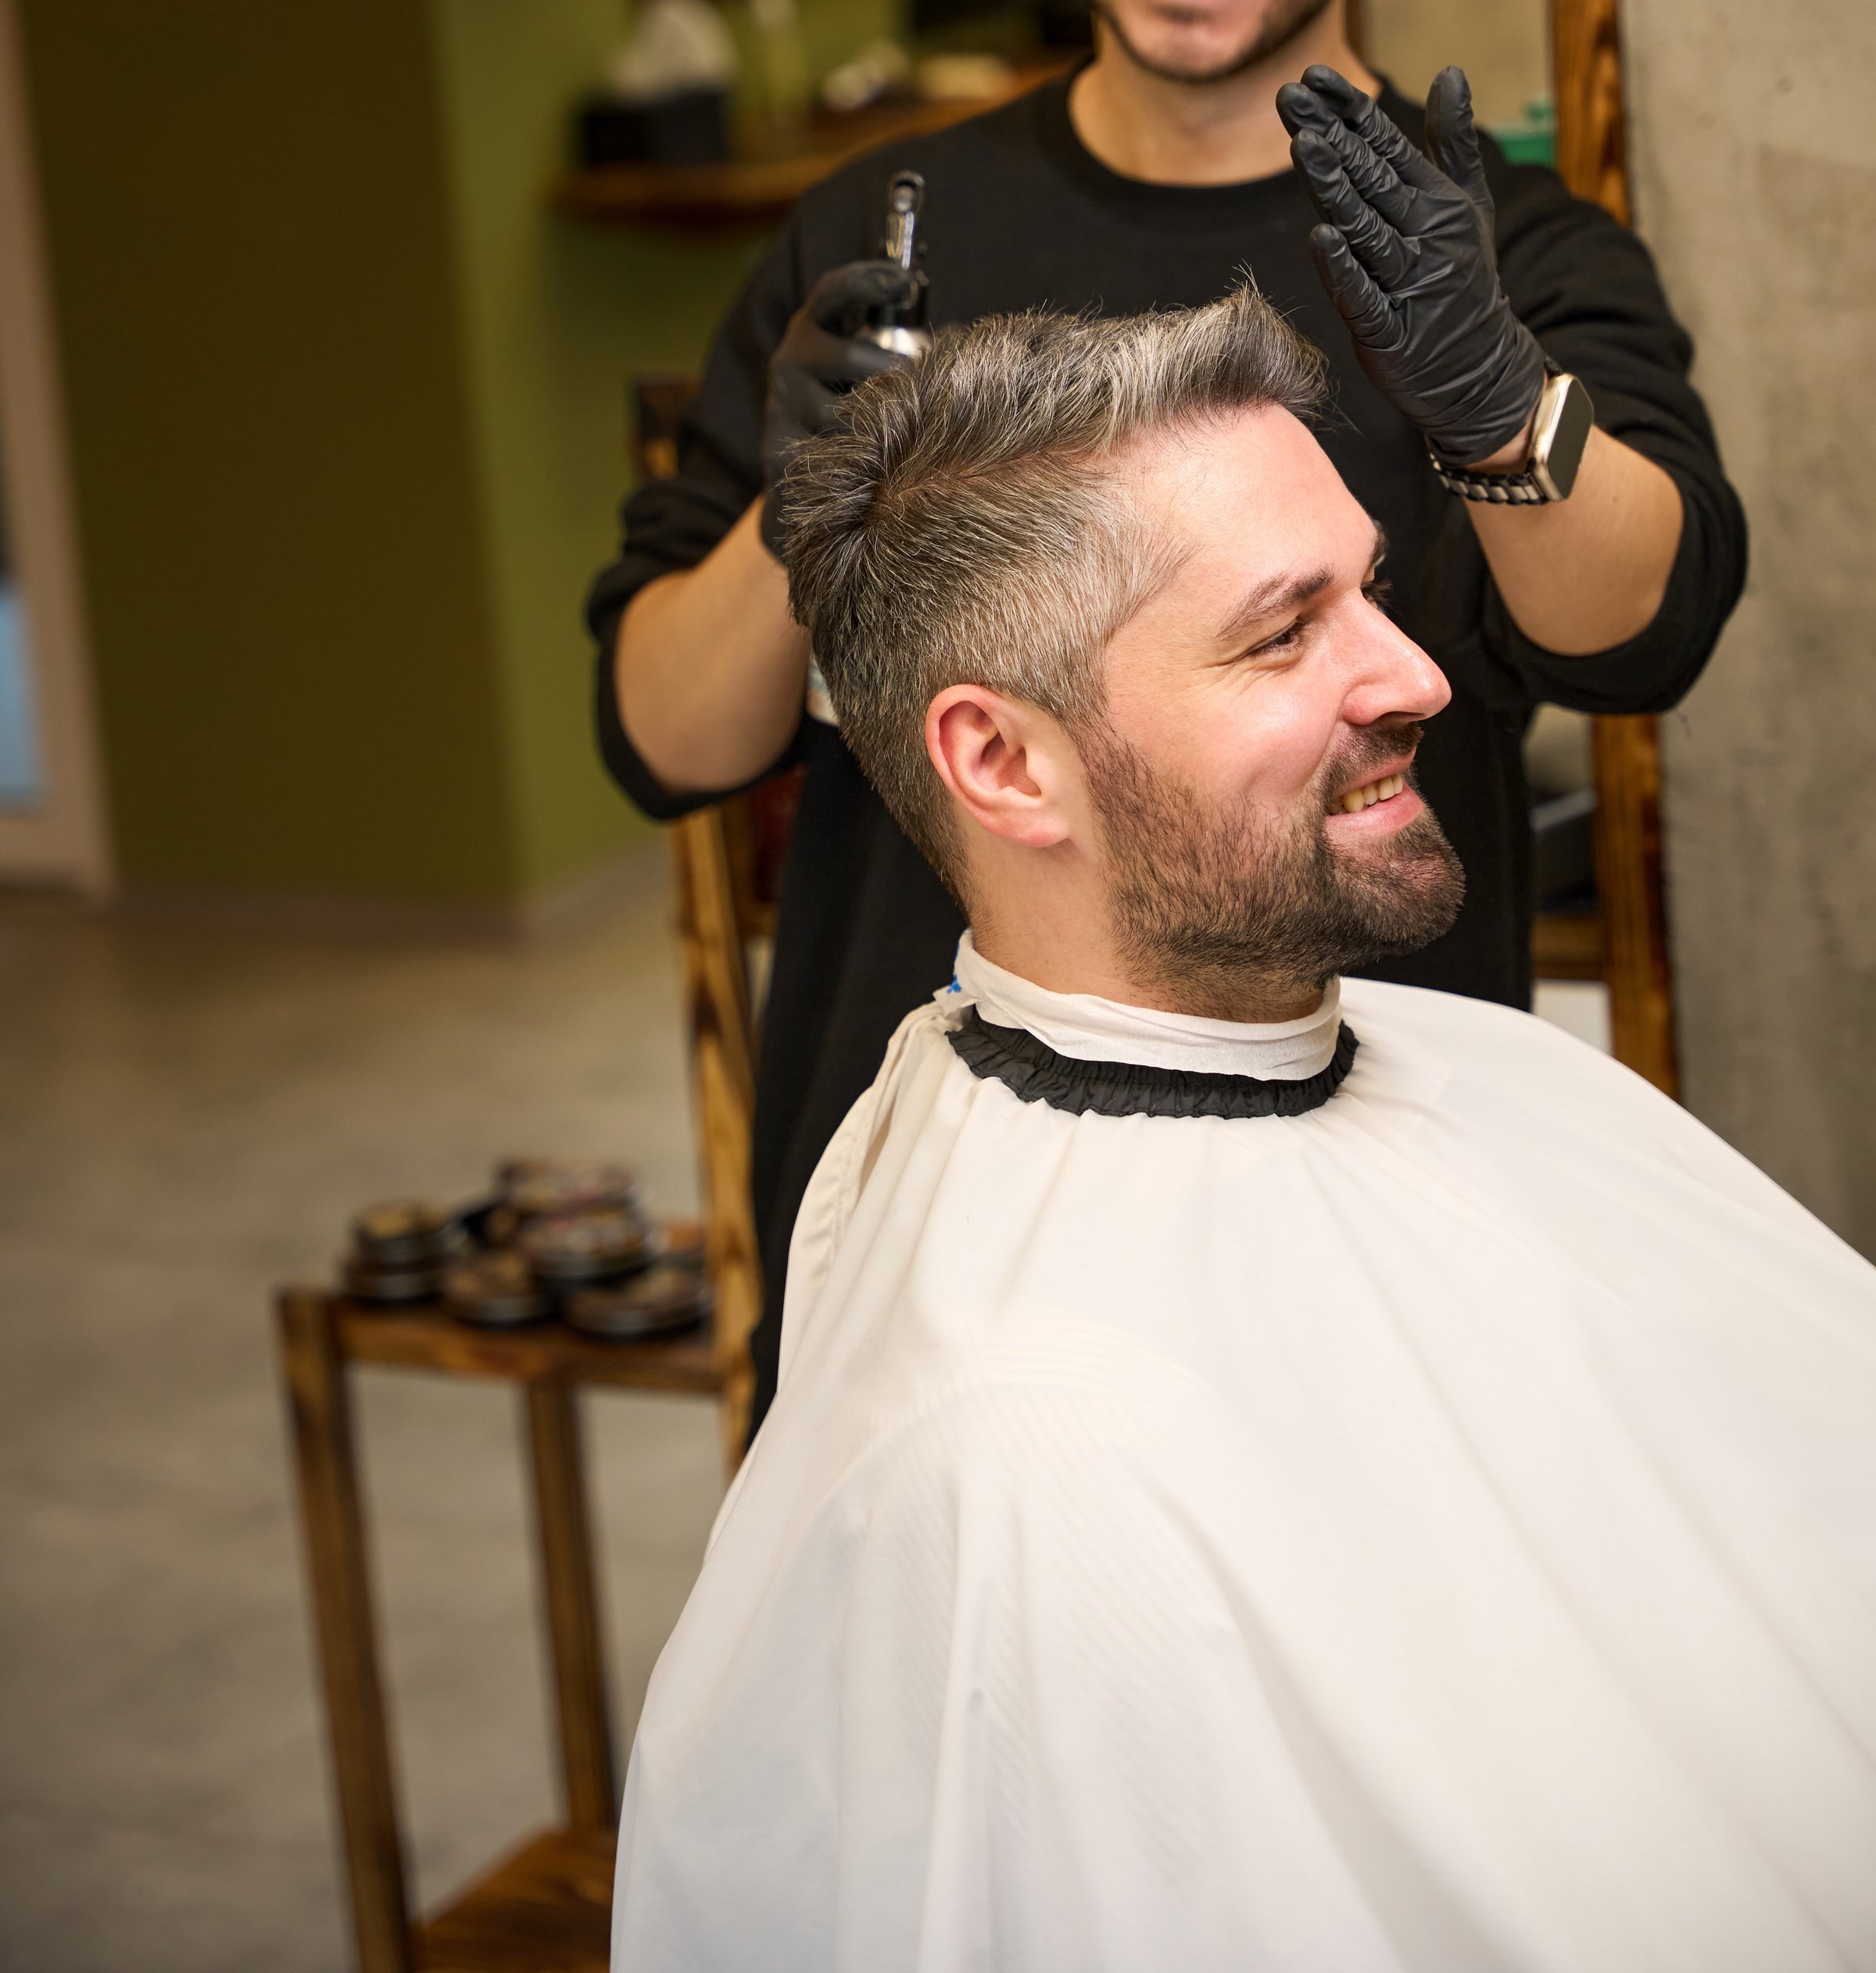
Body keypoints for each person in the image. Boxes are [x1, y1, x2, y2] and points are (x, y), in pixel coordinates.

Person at [587, 0, 1745, 1420]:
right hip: (941, 1241)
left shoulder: (1509, 262)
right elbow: (664, 737)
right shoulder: (877, 236)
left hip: (1350, 1220)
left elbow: (1646, 632)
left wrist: (1491, 398)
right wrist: (801, 507)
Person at [611, 294, 1875, 1973]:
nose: (1416, 671)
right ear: (1002, 761)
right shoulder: (1023, 1455)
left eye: (1369, 587)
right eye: (1285, 634)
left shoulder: (1485, 1075)